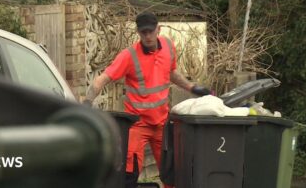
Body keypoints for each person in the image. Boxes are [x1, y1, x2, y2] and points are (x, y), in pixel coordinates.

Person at [83, 11, 211, 188]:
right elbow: (102, 79)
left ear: (158, 29)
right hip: (137, 124)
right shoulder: (129, 56)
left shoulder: (168, 46)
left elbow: (171, 72)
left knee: (171, 173)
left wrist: (191, 87)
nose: (148, 36)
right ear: (138, 32)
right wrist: (87, 103)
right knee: (129, 173)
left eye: (151, 31)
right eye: (144, 32)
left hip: (161, 124)